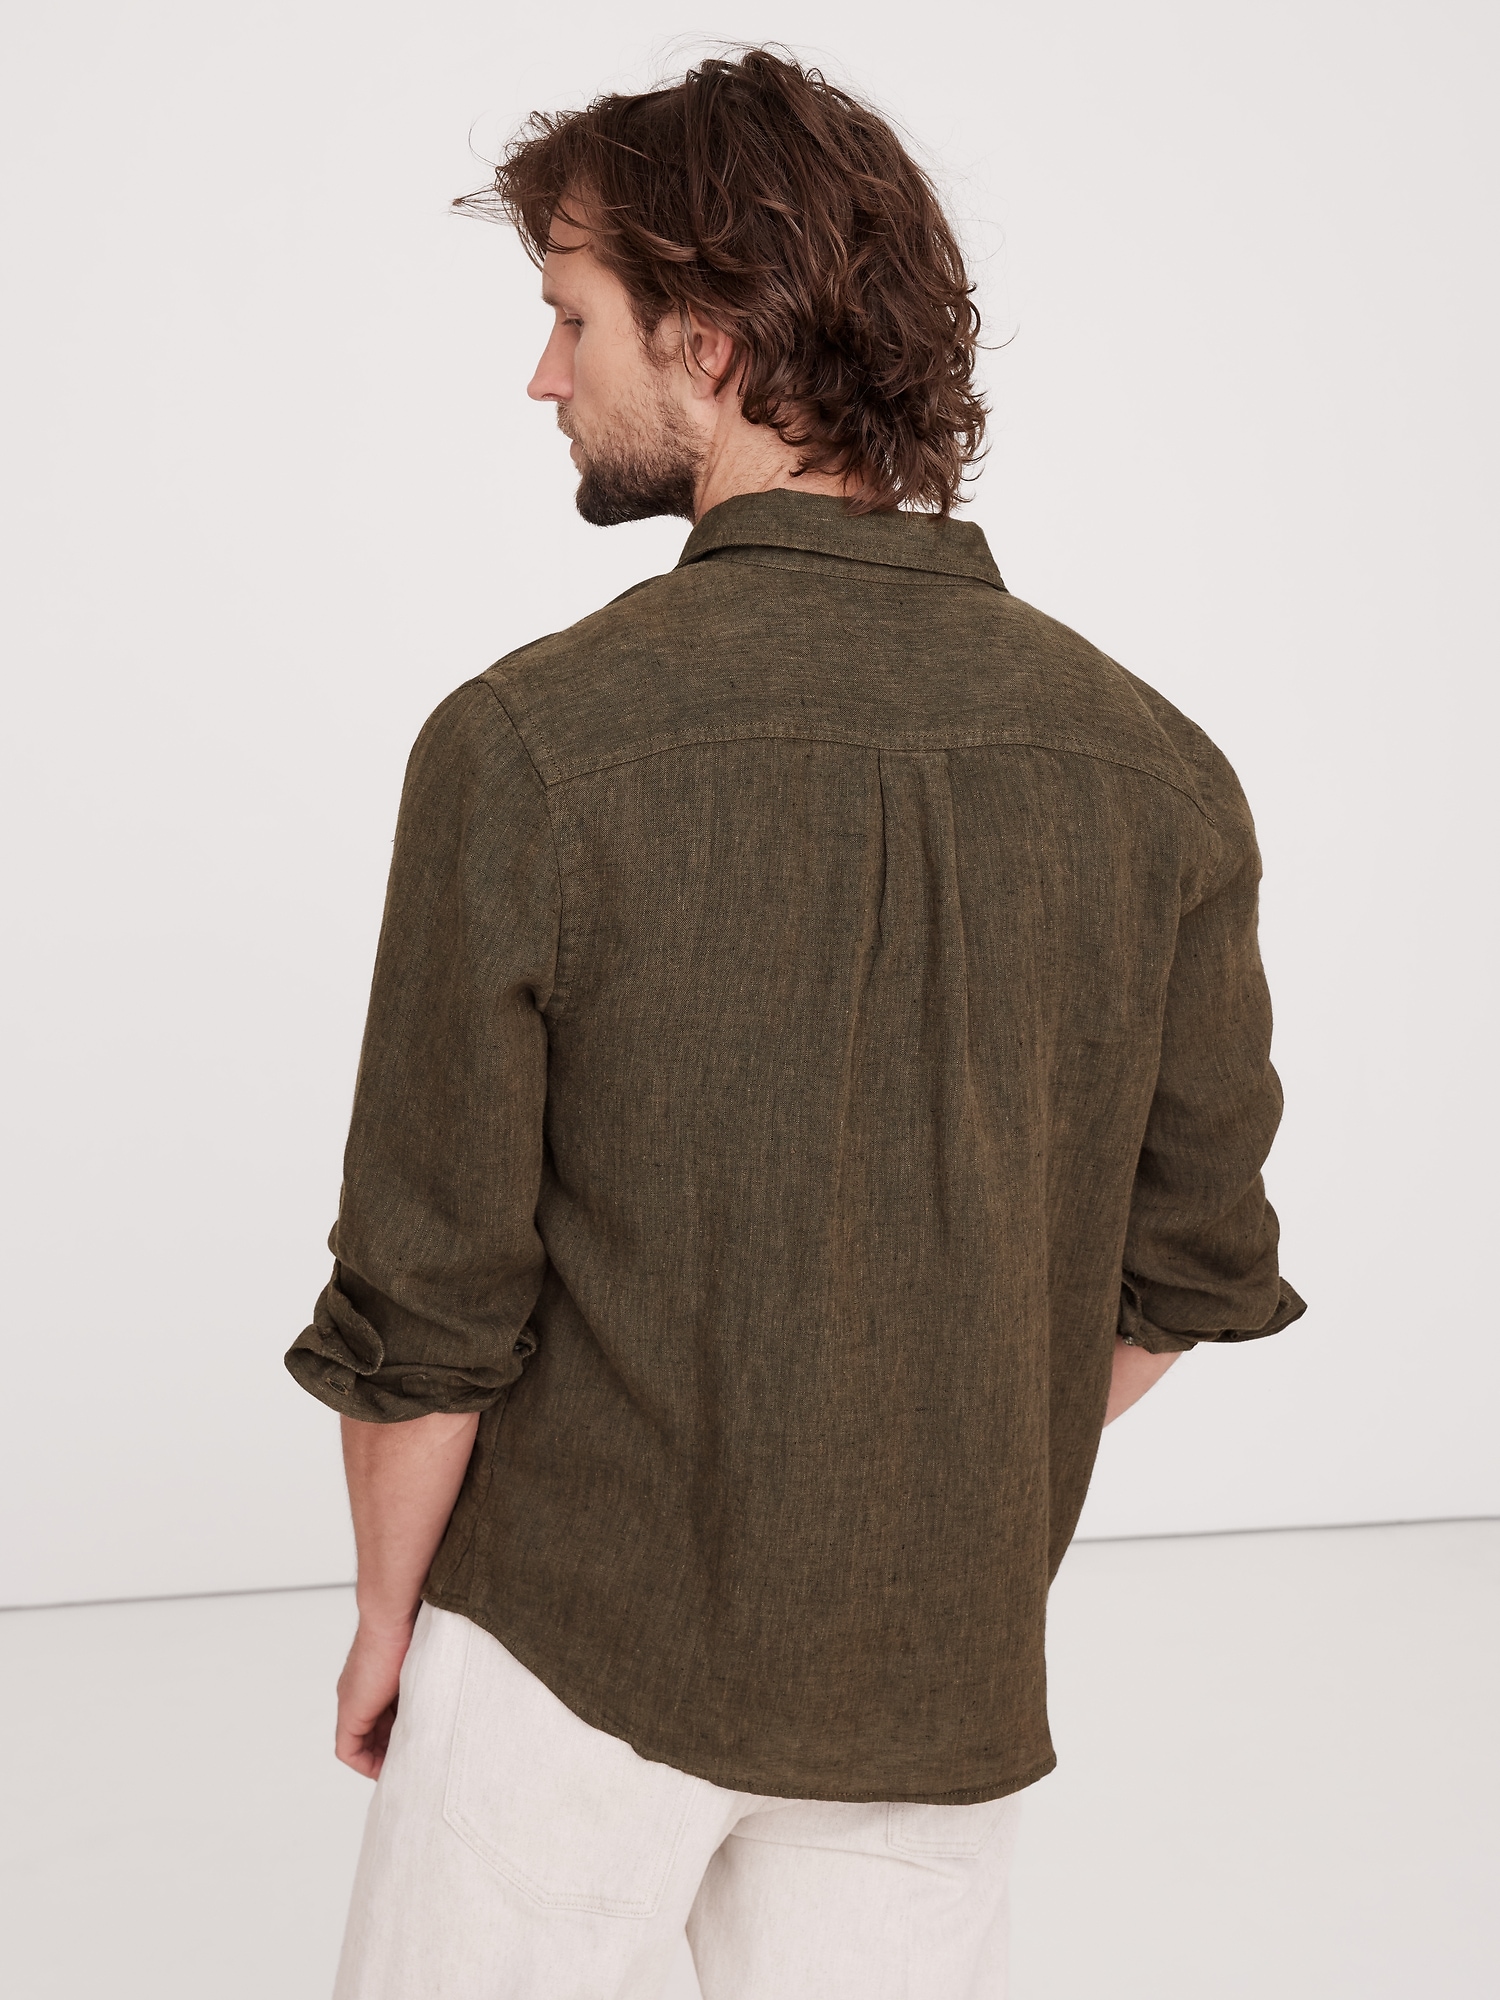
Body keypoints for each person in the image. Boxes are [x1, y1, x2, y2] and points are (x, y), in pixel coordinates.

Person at [285, 47, 1304, 2000]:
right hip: (934, 1679)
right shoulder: (1157, 770)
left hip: (566, 1653)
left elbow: (425, 1303)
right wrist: (922, 1458)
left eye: (573, 317)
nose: (543, 375)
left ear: (717, 339)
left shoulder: (527, 746)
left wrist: (388, 1623)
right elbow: (1185, 1272)